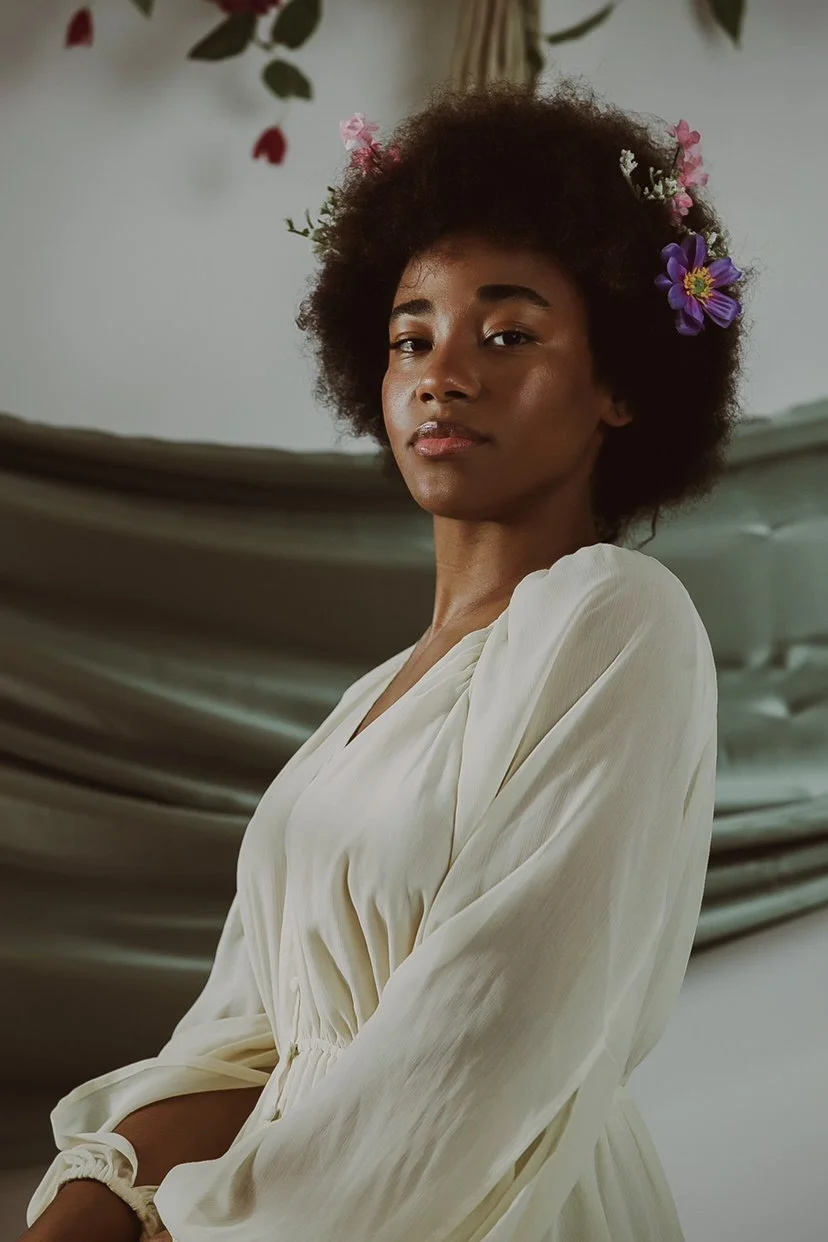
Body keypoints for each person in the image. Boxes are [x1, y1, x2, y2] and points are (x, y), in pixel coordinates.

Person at [21, 77, 746, 1242]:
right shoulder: (371, 703)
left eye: (506, 334)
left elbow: (479, 1046)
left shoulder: (618, 618)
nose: (438, 374)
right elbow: (249, 1035)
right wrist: (99, 1191)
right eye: (412, 335)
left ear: (620, 386)